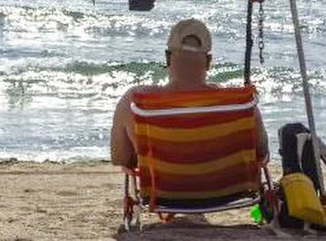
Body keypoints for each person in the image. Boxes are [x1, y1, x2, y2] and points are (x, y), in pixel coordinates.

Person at [110, 18, 270, 170]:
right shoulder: (240, 102)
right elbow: (261, 152)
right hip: (233, 196)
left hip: (161, 196)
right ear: (209, 62)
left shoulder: (134, 100)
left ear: (167, 58)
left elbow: (120, 158)